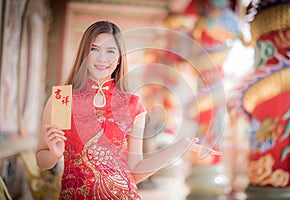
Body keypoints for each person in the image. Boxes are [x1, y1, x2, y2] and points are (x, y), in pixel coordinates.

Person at [36, 21, 199, 200]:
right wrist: (54, 154)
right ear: (84, 53)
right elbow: (41, 160)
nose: (102, 58)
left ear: (120, 58)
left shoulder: (132, 105)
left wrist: (180, 146)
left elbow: (135, 171)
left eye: (110, 51)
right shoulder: (62, 98)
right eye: (94, 49)